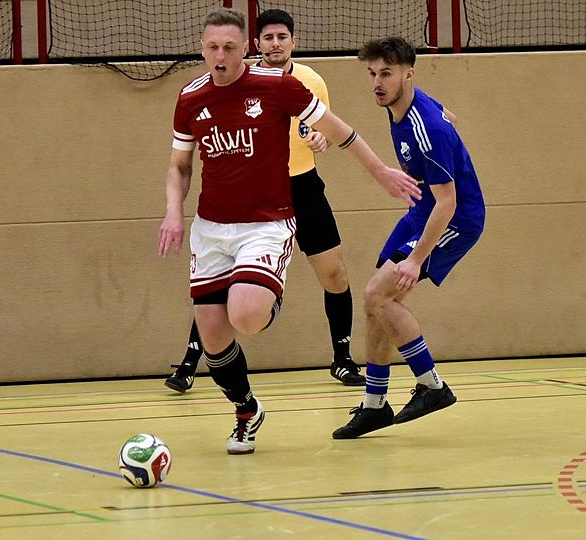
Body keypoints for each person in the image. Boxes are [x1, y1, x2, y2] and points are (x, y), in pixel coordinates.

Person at [158, 10, 421, 454]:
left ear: (246, 49)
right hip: (211, 228)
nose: (220, 56)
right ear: (202, 49)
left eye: (229, 47)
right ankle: (246, 410)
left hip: (267, 222)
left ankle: (266, 293)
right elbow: (179, 166)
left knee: (246, 315)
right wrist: (172, 213)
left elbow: (339, 131)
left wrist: (380, 172)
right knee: (214, 339)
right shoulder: (190, 97)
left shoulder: (278, 86)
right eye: (212, 47)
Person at [165, 9, 367, 394]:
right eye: (269, 38)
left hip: (302, 186)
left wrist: (322, 140)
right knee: (220, 284)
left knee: (334, 273)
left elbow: (324, 128)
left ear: (293, 42)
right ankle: (191, 361)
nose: (275, 44)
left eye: (282, 37)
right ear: (255, 45)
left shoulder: (309, 81)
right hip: (254, 196)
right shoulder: (236, 80)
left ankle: (342, 358)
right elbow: (182, 161)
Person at [333, 36, 486, 439]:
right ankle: (374, 406)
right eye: (372, 74)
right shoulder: (408, 104)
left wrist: (416, 260)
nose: (377, 83)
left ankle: (432, 386)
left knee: (379, 295)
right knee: (374, 301)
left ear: (408, 75)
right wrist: (446, 117)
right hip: (421, 210)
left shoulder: (426, 129)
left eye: (386, 74)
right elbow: (446, 113)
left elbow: (448, 202)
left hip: (454, 218)